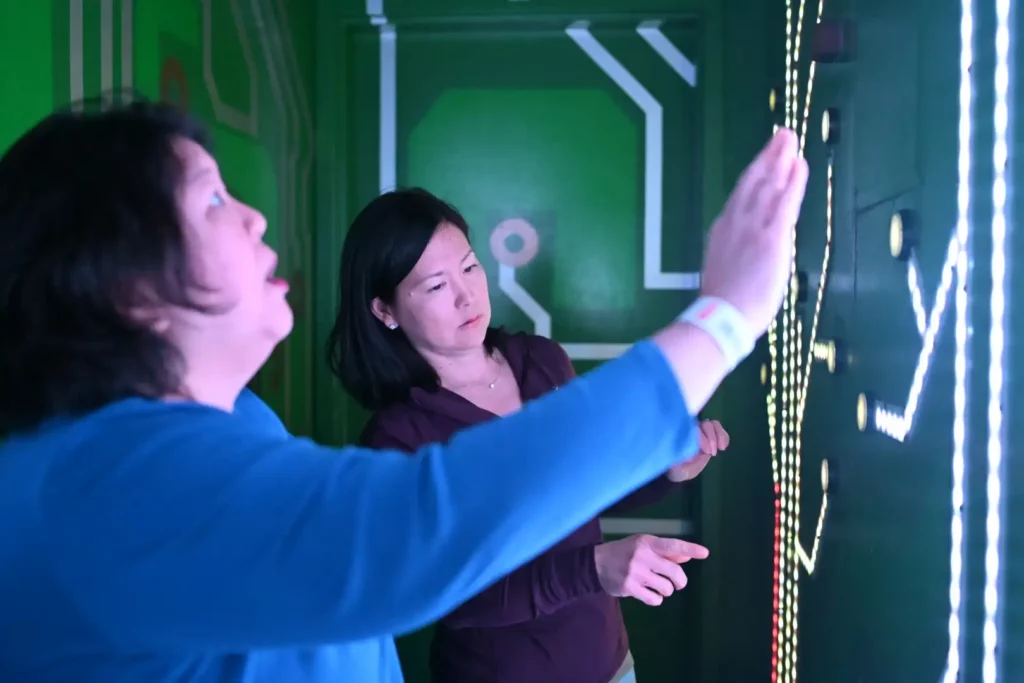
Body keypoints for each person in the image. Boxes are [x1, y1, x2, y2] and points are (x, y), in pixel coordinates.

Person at [0, 99, 807, 683]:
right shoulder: (111, 482)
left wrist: (669, 453)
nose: (251, 218)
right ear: (125, 285)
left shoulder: (235, 417)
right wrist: (723, 318)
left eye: (467, 271)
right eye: (212, 197)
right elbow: (420, 527)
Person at [328, 187, 733, 683]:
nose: (466, 295)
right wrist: (592, 569)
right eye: (435, 286)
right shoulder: (399, 437)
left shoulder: (542, 362)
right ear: (385, 311)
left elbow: (586, 488)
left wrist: (670, 469)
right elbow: (451, 597)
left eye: (470, 268)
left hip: (609, 664)